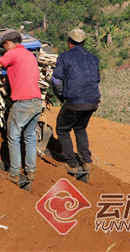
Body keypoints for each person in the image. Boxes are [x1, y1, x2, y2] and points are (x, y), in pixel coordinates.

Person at [0, 31, 42, 182]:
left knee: (13, 137)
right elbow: (14, 76)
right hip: (36, 102)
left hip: (23, 103)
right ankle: (31, 171)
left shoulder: (12, 53)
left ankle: (14, 173)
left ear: (7, 44)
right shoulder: (30, 55)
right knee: (30, 137)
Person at [50, 29, 101, 175]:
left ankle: (72, 164)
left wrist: (60, 93)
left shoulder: (64, 57)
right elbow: (97, 79)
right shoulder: (93, 58)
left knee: (62, 129)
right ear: (83, 42)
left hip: (75, 100)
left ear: (69, 42)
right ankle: (86, 161)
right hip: (92, 101)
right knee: (80, 128)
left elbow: (56, 79)